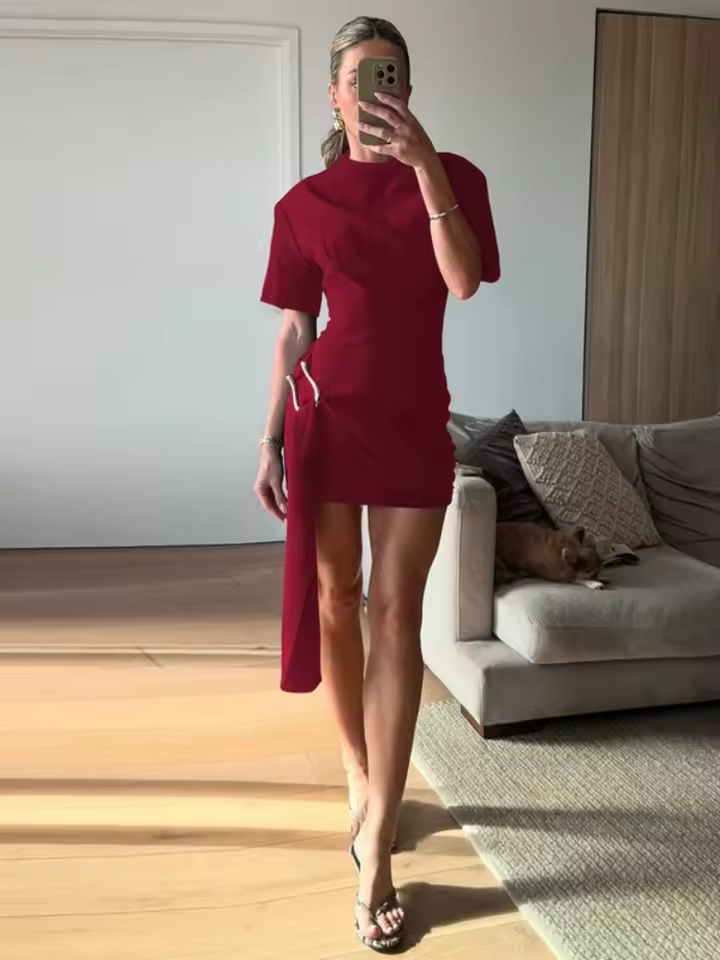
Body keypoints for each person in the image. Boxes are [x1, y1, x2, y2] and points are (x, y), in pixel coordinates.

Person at [255, 15, 500, 952]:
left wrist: (426, 163)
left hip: (411, 424)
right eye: (362, 76)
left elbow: (464, 280)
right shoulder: (303, 204)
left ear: (408, 88)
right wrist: (268, 437)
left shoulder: (457, 176)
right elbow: (293, 330)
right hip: (326, 421)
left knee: (397, 617)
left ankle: (379, 850)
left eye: (391, 74)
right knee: (336, 598)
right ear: (335, 95)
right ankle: (361, 775)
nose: (377, 90)